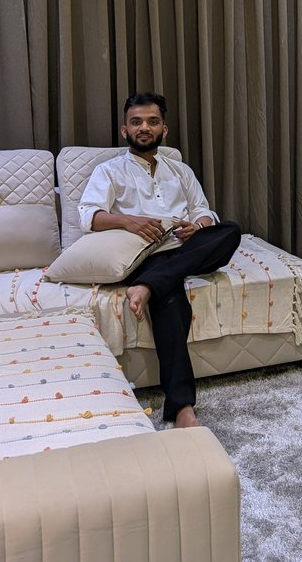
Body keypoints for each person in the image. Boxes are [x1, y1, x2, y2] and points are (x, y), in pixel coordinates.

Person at [78, 92, 241, 429]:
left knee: (229, 231)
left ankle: (148, 286)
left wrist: (197, 228)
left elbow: (203, 210)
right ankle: (182, 409)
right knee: (171, 300)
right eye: (136, 122)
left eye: (152, 122)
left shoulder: (180, 170)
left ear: (163, 129)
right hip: (142, 253)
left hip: (183, 248)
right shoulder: (109, 171)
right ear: (124, 130)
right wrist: (129, 221)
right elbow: (89, 216)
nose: (144, 128)